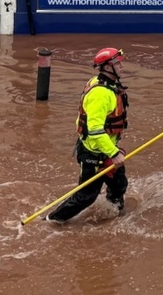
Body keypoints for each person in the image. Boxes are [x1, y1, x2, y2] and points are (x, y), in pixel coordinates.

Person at [47, 47, 130, 222]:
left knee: (119, 185)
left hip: (106, 149)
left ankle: (114, 215)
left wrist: (112, 151)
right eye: (117, 64)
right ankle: (52, 221)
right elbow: (94, 130)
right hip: (94, 152)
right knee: (86, 196)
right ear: (107, 67)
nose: (121, 67)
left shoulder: (105, 83)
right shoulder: (101, 93)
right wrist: (114, 153)